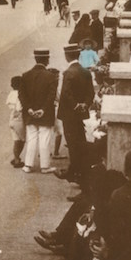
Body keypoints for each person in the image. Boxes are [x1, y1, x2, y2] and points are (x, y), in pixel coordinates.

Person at [54, 44, 95, 187]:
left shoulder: (68, 73)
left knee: (72, 144)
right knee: (80, 141)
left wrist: (75, 105)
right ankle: (77, 171)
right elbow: (91, 92)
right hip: (80, 114)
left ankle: (76, 173)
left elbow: (66, 93)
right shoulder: (85, 72)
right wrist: (85, 104)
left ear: (67, 56)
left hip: (69, 114)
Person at [18, 48, 58, 174]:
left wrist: (29, 108)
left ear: (35, 59)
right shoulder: (51, 76)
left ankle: (28, 165)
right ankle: (45, 166)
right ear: (46, 60)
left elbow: (22, 95)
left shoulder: (25, 75)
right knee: (44, 138)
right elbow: (51, 96)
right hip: (45, 113)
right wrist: (43, 109)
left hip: (29, 113)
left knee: (32, 138)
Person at [6, 76, 25, 168]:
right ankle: (17, 159)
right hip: (19, 119)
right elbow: (19, 108)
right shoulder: (20, 94)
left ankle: (16, 157)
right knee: (22, 140)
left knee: (16, 140)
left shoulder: (11, 94)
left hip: (12, 119)